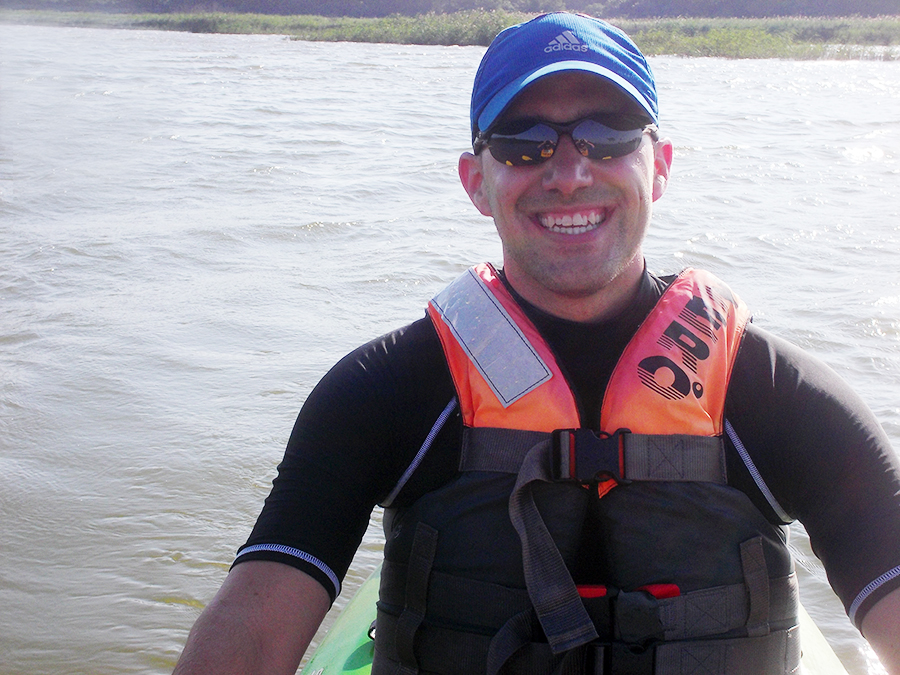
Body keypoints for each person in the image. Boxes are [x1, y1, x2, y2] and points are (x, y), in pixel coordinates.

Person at [173, 12, 900, 675]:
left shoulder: (776, 394)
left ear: (661, 165)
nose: (570, 174)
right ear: (475, 182)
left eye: (609, 136)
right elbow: (257, 622)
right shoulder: (383, 390)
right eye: (524, 144)